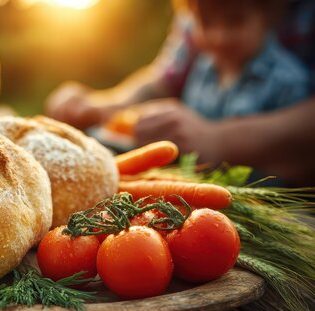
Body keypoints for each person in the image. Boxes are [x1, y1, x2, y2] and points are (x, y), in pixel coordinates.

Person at [46, 0, 315, 186]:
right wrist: (102, 106)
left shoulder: (287, 79)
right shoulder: (203, 67)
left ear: (268, 18)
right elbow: (163, 79)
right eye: (206, 23)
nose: (219, 36)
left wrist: (218, 140)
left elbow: (294, 165)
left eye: (235, 22)